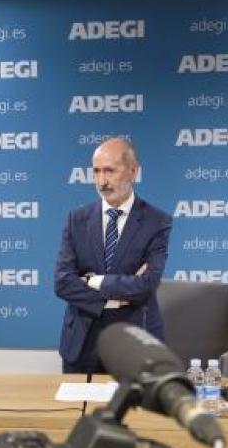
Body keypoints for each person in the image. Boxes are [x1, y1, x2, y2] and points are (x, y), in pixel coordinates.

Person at [54, 137, 171, 374]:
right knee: (78, 411)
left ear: (133, 171)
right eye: (96, 171)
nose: (101, 181)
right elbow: (63, 282)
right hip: (82, 342)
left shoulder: (157, 222)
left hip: (135, 342)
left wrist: (93, 281)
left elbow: (147, 285)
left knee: (134, 411)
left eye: (109, 171)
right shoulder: (76, 219)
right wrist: (113, 298)